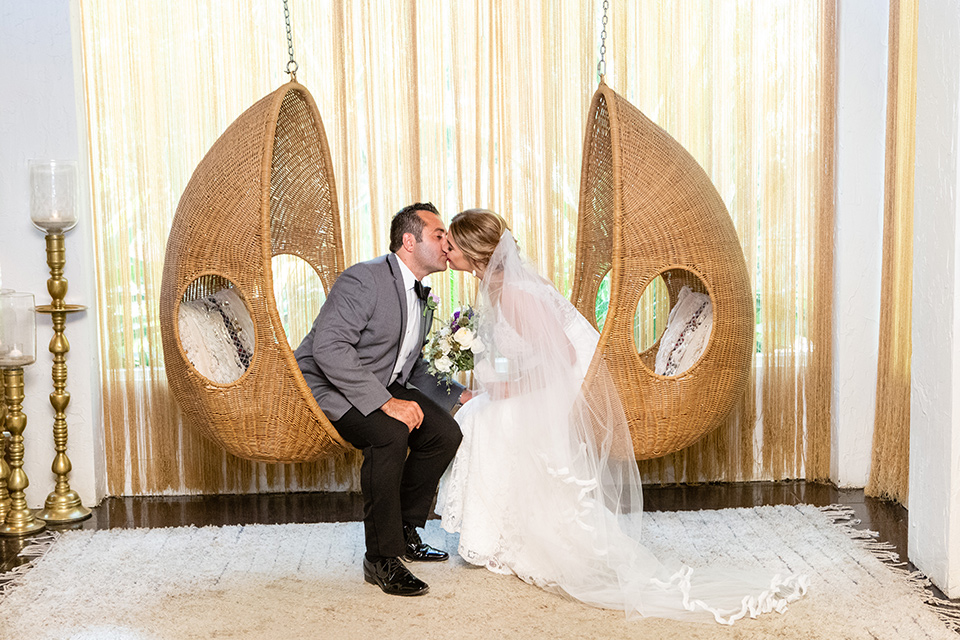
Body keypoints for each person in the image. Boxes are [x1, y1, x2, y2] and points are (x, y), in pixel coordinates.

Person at [436, 208, 808, 624]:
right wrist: (498, 379)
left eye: (450, 244)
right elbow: (533, 352)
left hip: (571, 387)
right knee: (480, 413)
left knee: (485, 421)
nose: (445, 251)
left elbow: (562, 357)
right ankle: (496, 534)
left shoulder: (514, 293)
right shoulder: (499, 286)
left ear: (474, 252)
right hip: (554, 379)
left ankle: (504, 538)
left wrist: (506, 389)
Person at [295, 202, 472, 597]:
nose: (448, 243)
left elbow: (414, 366)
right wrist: (386, 403)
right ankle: (381, 557)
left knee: (445, 433)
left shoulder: (421, 295)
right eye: (438, 235)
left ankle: (406, 531)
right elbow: (329, 348)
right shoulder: (364, 279)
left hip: (378, 382)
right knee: (390, 432)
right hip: (329, 387)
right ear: (409, 241)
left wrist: (460, 394)